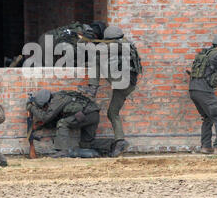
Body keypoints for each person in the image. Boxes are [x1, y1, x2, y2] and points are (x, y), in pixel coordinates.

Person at [79, 26, 142, 157]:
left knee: (94, 59)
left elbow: (98, 51)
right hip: (127, 85)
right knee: (112, 113)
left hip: (120, 80)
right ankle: (120, 142)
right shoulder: (125, 44)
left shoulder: (118, 45)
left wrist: (85, 41)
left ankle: (93, 87)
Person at [26, 89, 114, 158]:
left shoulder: (57, 100)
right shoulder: (61, 97)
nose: (44, 109)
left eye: (44, 107)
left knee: (62, 123)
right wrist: (41, 126)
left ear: (47, 102)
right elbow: (53, 119)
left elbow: (46, 117)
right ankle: (113, 145)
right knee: (86, 144)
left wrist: (31, 107)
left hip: (86, 114)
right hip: (92, 115)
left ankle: (63, 151)